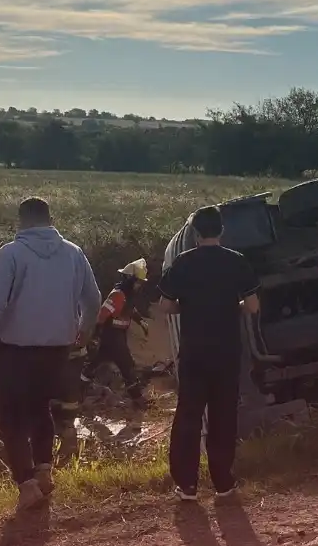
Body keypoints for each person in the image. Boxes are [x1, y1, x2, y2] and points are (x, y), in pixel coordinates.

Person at [0, 197, 101, 513]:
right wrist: (84, 329)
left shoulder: (11, 254)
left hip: (15, 351)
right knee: (41, 409)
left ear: (22, 221)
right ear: (50, 219)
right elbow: (93, 299)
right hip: (57, 350)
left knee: (12, 417)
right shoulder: (74, 253)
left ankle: (26, 485)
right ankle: (44, 471)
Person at [159, 206, 260, 501]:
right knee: (224, 414)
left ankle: (187, 485)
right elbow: (253, 306)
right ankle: (223, 482)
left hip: (194, 351)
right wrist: (232, 307)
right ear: (221, 230)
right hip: (227, 351)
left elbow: (165, 305)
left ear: (195, 233)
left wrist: (189, 307)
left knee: (188, 415)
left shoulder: (183, 262)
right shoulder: (236, 261)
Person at [84, 258, 150, 409]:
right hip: (112, 336)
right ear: (130, 279)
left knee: (95, 363)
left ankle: (77, 390)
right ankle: (138, 399)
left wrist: (141, 322)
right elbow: (102, 315)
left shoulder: (127, 295)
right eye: (138, 282)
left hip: (118, 336)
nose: (139, 285)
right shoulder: (118, 295)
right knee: (127, 365)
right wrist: (95, 335)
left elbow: (130, 310)